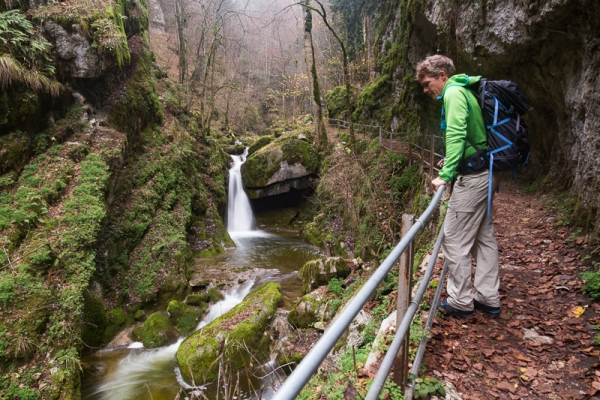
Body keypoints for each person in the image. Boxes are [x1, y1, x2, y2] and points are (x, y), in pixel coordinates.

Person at [416, 55, 500, 319]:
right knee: (483, 238)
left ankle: (461, 302)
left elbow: (456, 133)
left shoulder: (453, 93)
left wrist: (447, 173)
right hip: (486, 170)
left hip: (473, 178)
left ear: (442, 75)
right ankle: (488, 298)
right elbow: (471, 136)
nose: (425, 90)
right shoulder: (465, 90)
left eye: (428, 83)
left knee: (452, 238)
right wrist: (453, 158)